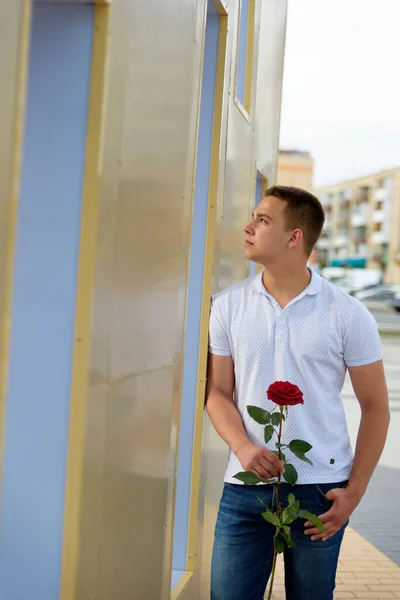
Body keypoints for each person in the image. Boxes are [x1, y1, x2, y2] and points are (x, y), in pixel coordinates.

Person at [206, 186, 390, 600]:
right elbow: (217, 391)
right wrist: (243, 447)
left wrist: (354, 493)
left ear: (295, 237)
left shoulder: (347, 313)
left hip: (321, 494)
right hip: (244, 484)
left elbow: (377, 408)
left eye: (263, 220)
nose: (248, 227)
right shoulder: (227, 306)